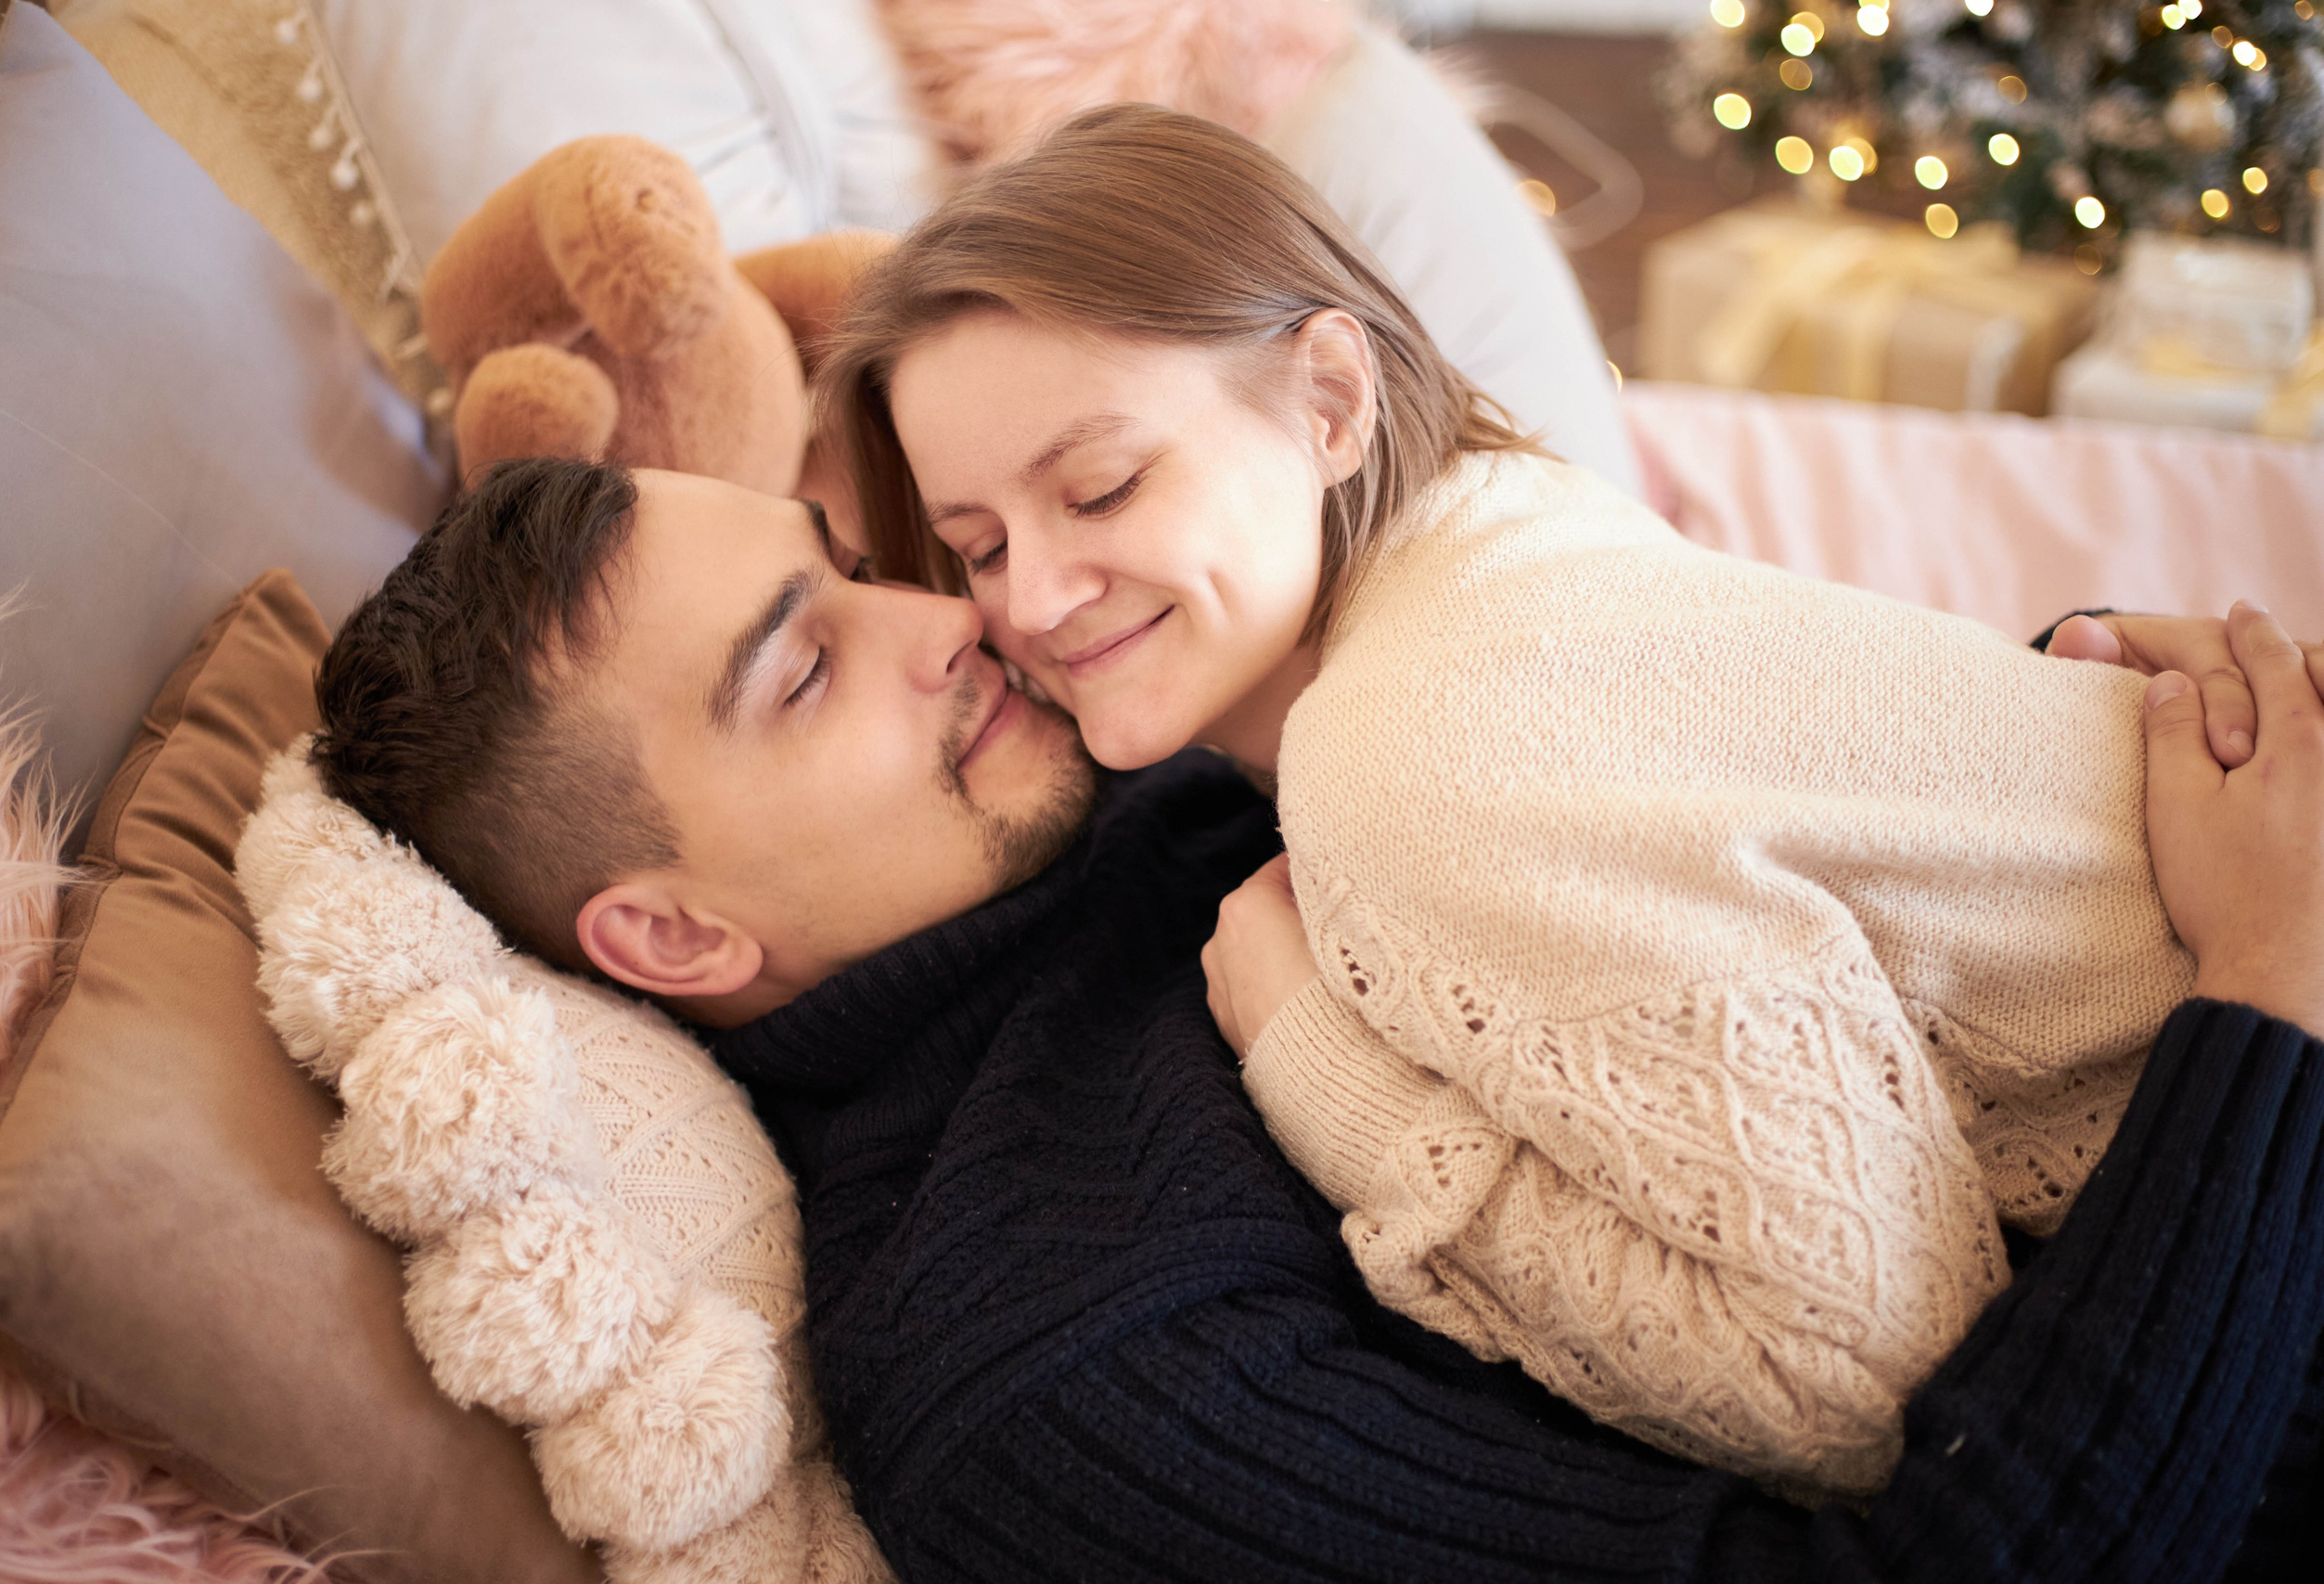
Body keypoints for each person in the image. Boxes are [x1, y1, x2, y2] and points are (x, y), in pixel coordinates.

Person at [313, 452, 2323, 1582]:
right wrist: (2265, 996)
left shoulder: (1190, 755)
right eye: (802, 666)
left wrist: (2043, 753)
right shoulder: (1048, 1358)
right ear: (663, 935)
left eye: (857, 569)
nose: (951, 619)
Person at [815, 102, 2321, 1493]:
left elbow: (1860, 1378)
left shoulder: (1411, 745)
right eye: (980, 542)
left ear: (1329, 399)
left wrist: (1319, 1065)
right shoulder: (1509, 522)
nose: (1035, 600)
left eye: (1098, 489)